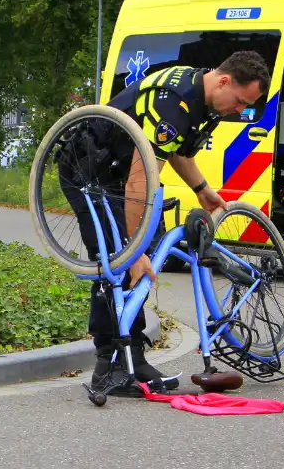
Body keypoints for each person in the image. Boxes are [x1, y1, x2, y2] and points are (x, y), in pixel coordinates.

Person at [58, 51, 272, 393]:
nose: (239, 110)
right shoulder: (175, 104)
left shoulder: (203, 96)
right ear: (224, 80)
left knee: (149, 256)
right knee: (118, 261)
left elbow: (176, 149)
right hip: (90, 167)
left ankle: (135, 357)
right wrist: (132, 251)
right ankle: (107, 368)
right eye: (239, 101)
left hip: (124, 167)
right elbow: (137, 186)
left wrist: (201, 190)